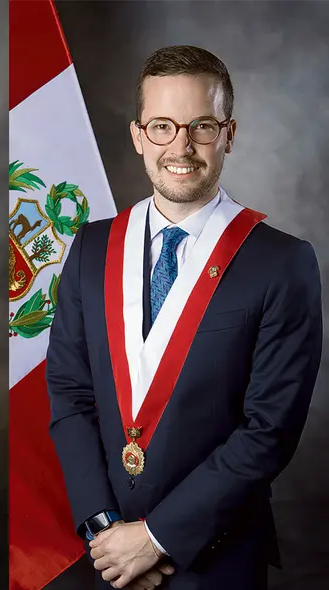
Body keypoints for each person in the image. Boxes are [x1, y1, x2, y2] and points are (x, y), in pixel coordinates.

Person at [46, 45, 322, 590]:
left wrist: (154, 539)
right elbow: (69, 392)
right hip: (103, 554)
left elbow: (269, 430)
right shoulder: (93, 246)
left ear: (229, 134)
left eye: (201, 126)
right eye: (162, 126)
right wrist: (107, 532)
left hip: (214, 559)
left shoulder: (282, 262)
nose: (181, 146)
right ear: (137, 136)